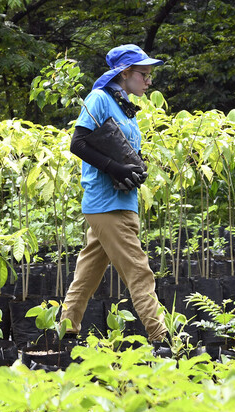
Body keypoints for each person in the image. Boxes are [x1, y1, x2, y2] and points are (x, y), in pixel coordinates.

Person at [60, 44, 168, 344]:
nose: (149, 82)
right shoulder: (100, 99)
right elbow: (78, 143)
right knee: (139, 271)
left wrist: (134, 167)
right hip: (107, 205)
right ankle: (163, 339)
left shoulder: (127, 110)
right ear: (124, 73)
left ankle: (65, 332)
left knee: (88, 273)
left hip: (122, 202)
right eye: (144, 75)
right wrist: (114, 168)